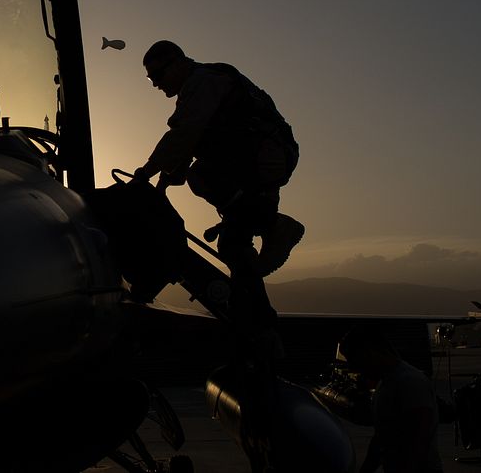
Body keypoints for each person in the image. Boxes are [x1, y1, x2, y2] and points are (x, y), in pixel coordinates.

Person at [132, 40, 303, 329]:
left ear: (176, 63)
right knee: (235, 247)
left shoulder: (202, 83)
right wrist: (160, 185)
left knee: (202, 177)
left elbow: (183, 137)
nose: (155, 84)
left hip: (258, 163)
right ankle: (259, 327)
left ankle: (273, 226)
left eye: (157, 76)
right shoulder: (202, 88)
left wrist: (144, 173)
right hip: (254, 165)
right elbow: (186, 150)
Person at [338, 325, 444, 473]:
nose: (353, 367)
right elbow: (382, 438)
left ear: (371, 352)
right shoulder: (387, 383)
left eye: (354, 359)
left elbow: (419, 438)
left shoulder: (410, 382)